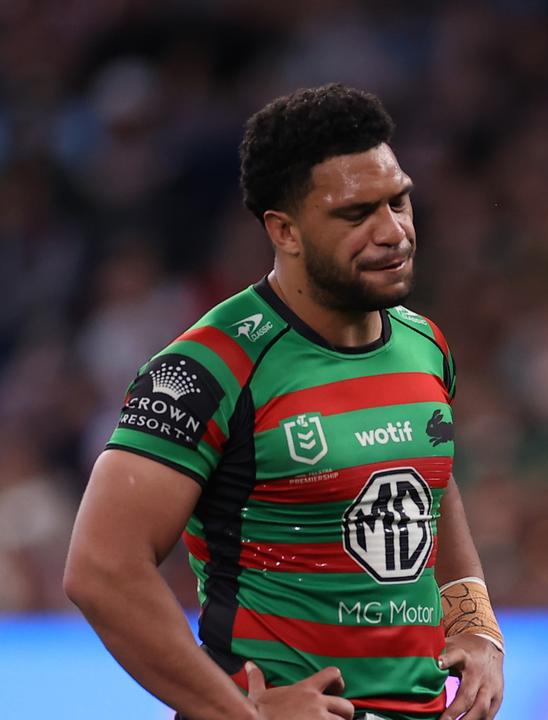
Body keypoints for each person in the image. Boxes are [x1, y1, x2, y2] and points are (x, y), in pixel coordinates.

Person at [64, 84, 504, 720]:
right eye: (356, 215)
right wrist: (242, 715)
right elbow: (101, 570)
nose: (394, 232)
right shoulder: (208, 368)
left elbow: (428, 479)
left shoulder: (423, 342)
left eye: (399, 201)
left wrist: (475, 622)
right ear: (284, 230)